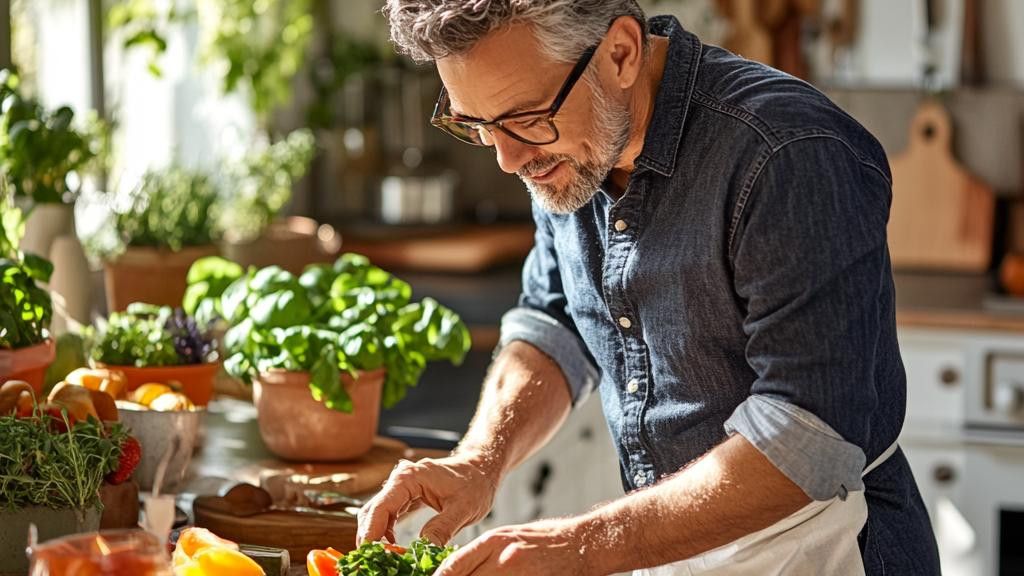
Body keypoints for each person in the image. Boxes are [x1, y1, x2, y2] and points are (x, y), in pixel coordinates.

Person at [358, 1, 941, 574]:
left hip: (819, 549)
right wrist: (478, 463)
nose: (508, 160)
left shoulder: (787, 155)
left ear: (620, 53)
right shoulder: (569, 146)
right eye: (477, 125)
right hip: (660, 544)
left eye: (526, 118)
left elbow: (807, 438)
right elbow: (557, 318)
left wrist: (583, 546)